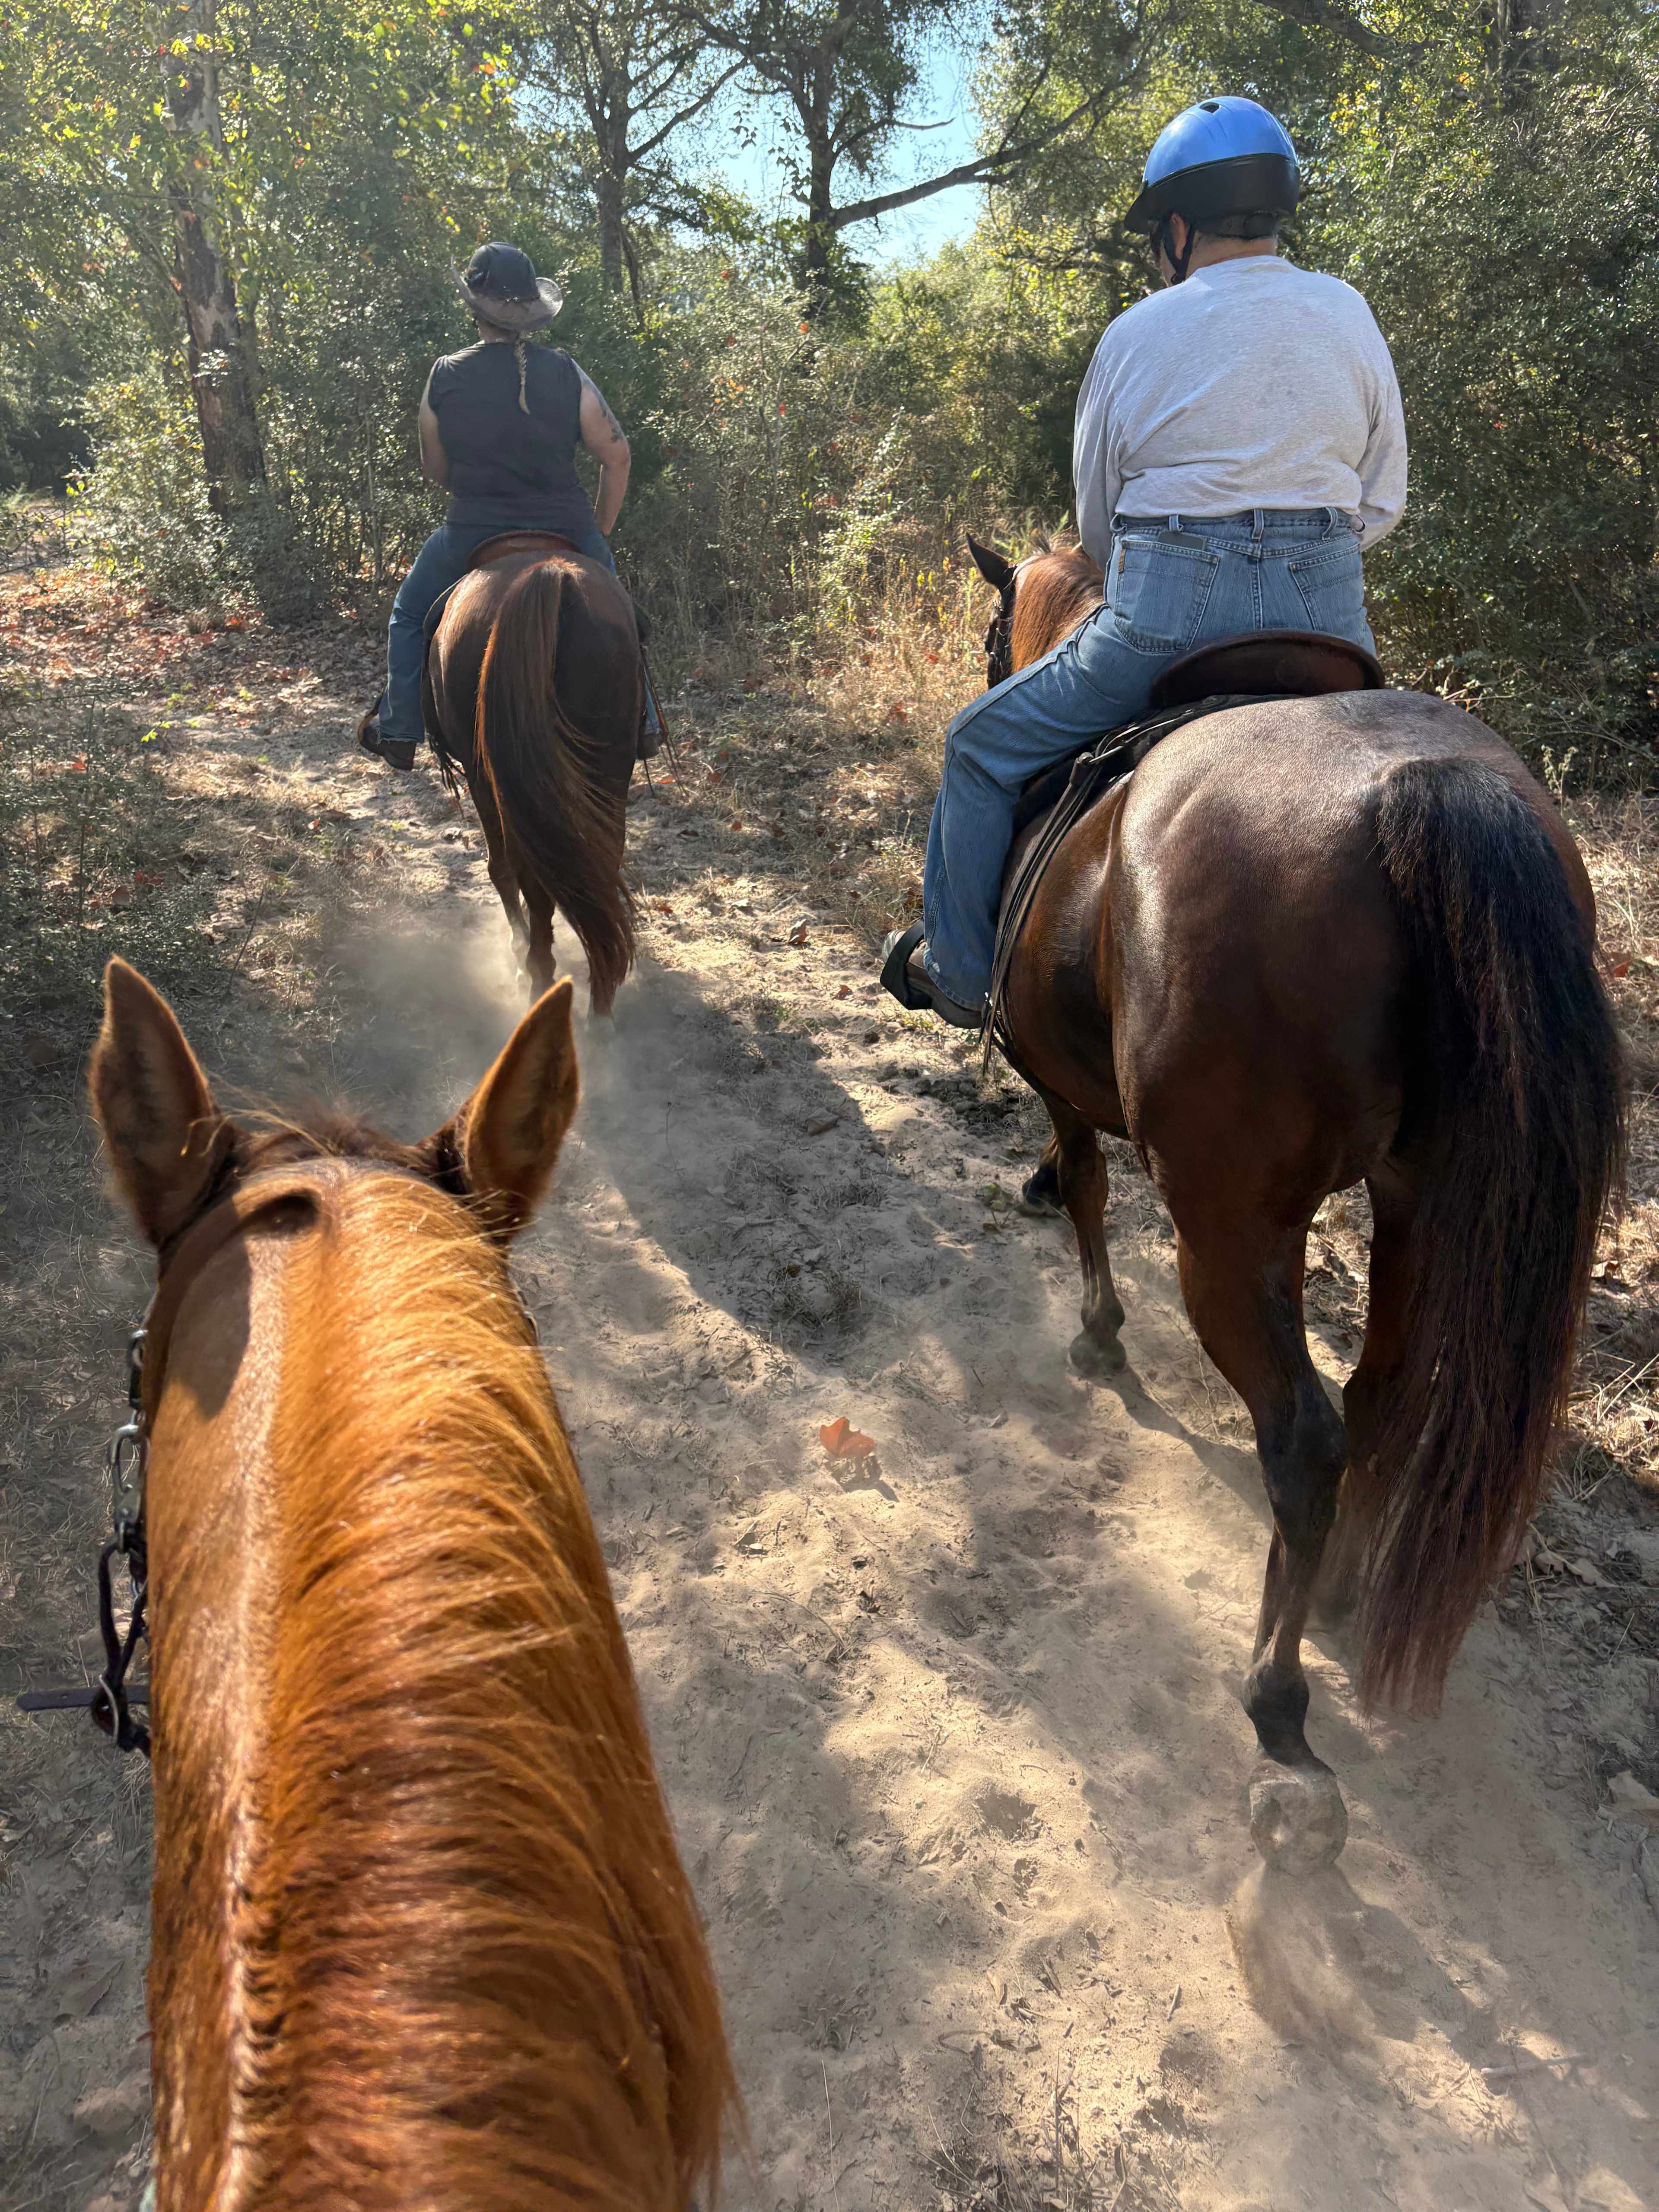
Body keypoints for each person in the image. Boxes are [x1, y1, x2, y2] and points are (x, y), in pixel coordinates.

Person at [881, 95, 1408, 1026]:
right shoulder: (1348, 310)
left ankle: (959, 975)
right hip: (1328, 619)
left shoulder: (1136, 334)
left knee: (978, 747)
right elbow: (1382, 494)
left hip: (1166, 625)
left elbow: (1098, 519)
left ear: (1175, 228)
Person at [360, 241, 642, 772]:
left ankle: (399, 729)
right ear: (532, 313)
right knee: (623, 614)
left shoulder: (444, 375)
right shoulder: (567, 372)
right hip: (568, 527)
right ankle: (645, 721)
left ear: (475, 308)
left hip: (473, 529)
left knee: (408, 614)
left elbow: (435, 469)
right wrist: (596, 531)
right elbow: (618, 457)